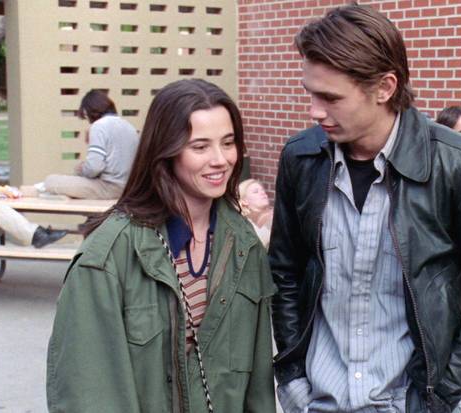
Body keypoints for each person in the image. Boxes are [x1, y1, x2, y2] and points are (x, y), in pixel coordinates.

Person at [270, 5, 461, 413]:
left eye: (331, 97)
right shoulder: (301, 158)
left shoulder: (458, 163)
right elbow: (284, 273)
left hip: (408, 402)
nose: (315, 110)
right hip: (316, 400)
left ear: (385, 87)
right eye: (310, 93)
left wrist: (439, 396)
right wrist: (293, 380)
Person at [46, 79, 276, 412]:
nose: (220, 159)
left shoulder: (244, 243)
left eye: (228, 143)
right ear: (165, 151)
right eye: (200, 147)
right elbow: (86, 392)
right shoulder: (108, 256)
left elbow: (258, 386)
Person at [25, 90, 139, 199]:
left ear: (89, 111)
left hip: (109, 188)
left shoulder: (99, 126)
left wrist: (82, 169)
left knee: (51, 180)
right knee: (72, 178)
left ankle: (36, 190)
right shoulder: (129, 127)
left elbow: (94, 168)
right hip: (128, 187)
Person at [237, 178, 272, 248]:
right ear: (244, 201)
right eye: (256, 192)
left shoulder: (275, 216)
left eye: (263, 190)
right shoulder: (241, 223)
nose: (263, 193)